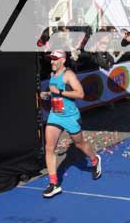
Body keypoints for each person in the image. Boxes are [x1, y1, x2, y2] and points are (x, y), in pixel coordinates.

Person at [38, 50, 102, 198]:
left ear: (63, 60)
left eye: (55, 59)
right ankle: (54, 184)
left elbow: (80, 94)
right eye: (51, 59)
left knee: (79, 144)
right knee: (49, 147)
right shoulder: (52, 74)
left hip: (70, 117)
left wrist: (59, 92)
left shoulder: (69, 75)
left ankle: (95, 159)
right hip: (55, 115)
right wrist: (48, 94)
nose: (52, 62)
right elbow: (55, 91)